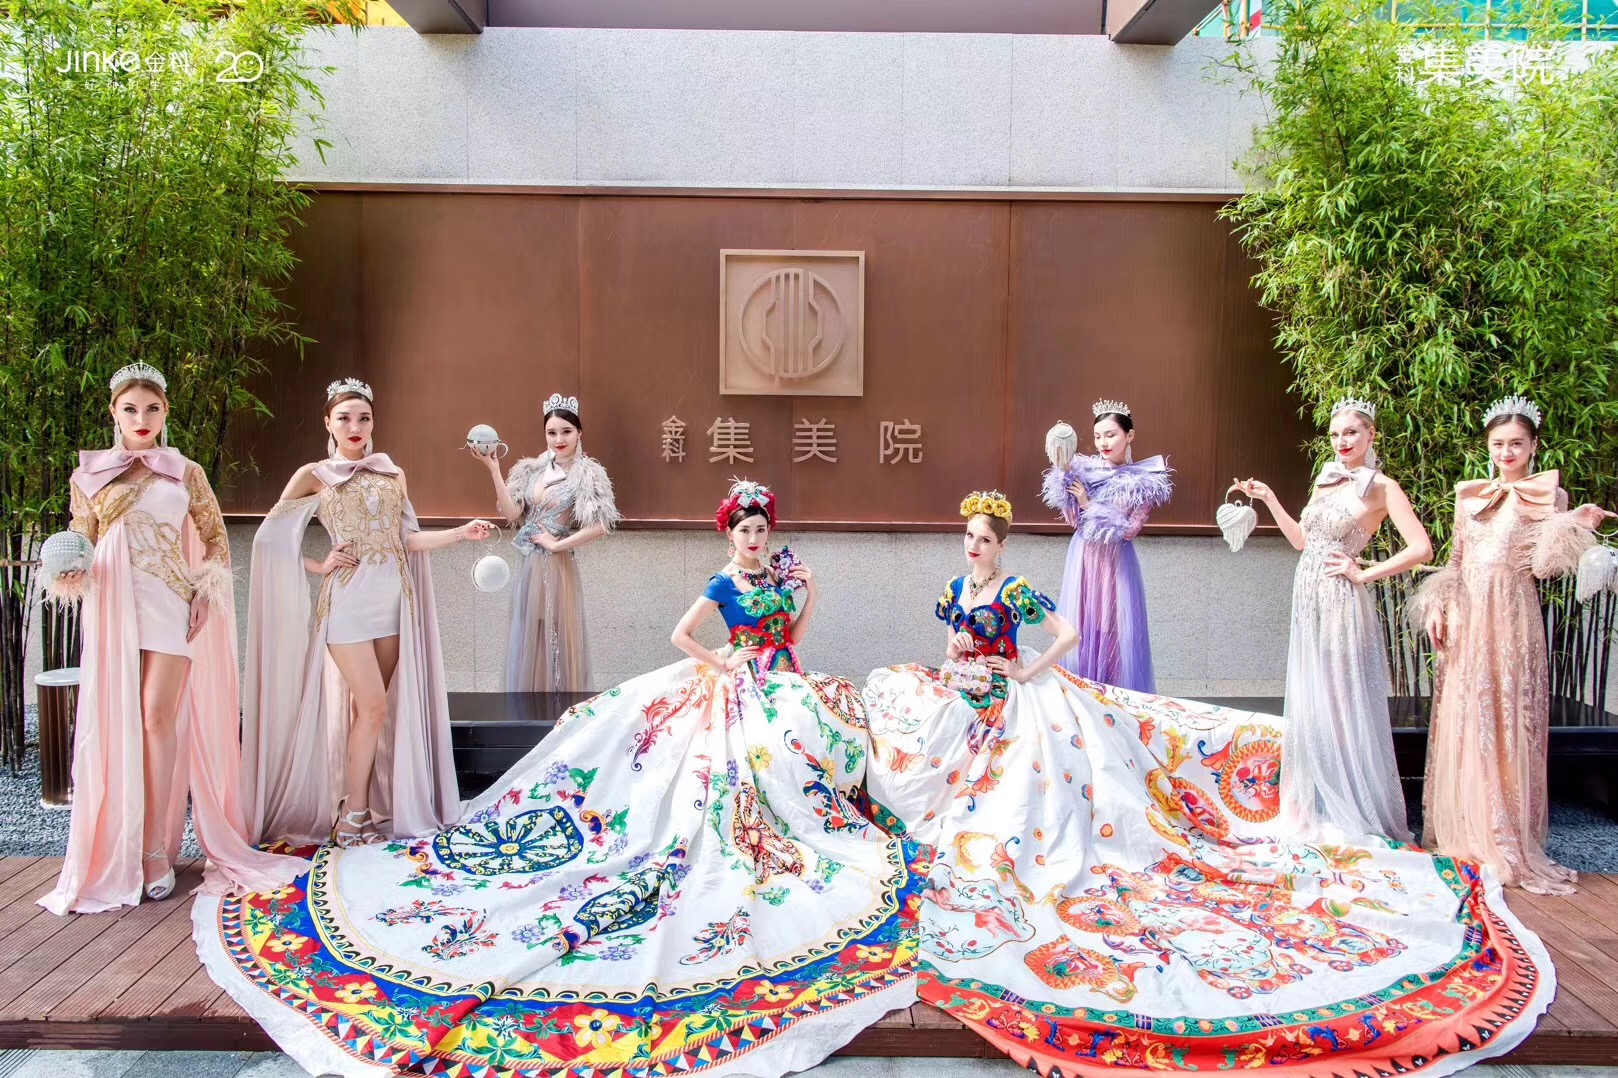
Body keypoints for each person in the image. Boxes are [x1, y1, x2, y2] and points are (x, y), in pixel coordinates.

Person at [194, 480, 919, 1078]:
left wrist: (809, 593)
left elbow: (794, 637)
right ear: (730, 535)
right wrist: (722, 662)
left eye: (761, 530)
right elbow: (681, 636)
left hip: (785, 682)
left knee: (806, 750)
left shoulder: (782, 578)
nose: (755, 539)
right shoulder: (724, 582)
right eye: (746, 530)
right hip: (739, 682)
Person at [860, 488, 1554, 1078]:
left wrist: (1026, 671)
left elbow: (1065, 635)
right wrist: (954, 663)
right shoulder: (956, 589)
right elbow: (950, 644)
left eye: (983, 539)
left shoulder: (1013, 590)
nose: (974, 547)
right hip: (966, 694)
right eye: (969, 538)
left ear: (1002, 545)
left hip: (1013, 695)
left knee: (1033, 786)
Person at [40, 363, 304, 913]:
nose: (142, 418)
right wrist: (67, 568)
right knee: (121, 722)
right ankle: (121, 848)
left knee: (158, 717)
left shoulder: (186, 471)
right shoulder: (89, 475)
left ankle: (155, 849)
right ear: (114, 413)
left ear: (165, 413)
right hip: (113, 602)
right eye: (130, 409)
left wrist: (205, 591)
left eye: (152, 409)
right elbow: (81, 536)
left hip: (169, 601)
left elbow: (215, 541)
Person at [241, 378, 492, 848]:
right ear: (328, 423)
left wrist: (461, 533)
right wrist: (319, 565)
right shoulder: (314, 475)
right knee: (374, 704)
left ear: (373, 422)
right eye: (344, 418)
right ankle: (353, 814)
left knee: (371, 712)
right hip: (347, 603)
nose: (354, 426)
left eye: (363, 417)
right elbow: (269, 540)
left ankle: (363, 805)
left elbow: (407, 540)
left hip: (393, 601)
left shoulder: (392, 474)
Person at [1414, 395, 1613, 895]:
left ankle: (1502, 835)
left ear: (1534, 446)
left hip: (1512, 618)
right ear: (1488, 446)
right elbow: (1456, 559)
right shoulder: (1470, 496)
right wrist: (1438, 604)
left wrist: (1573, 525)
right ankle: (1466, 830)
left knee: (1505, 718)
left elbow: (1544, 568)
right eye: (1498, 444)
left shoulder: (1551, 496)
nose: (1506, 452)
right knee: (1467, 715)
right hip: (1467, 615)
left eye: (1516, 444)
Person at [1232, 397, 1431, 842]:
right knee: (1312, 695)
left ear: (1371, 435)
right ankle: (1311, 803)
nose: (1342, 441)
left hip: (1341, 598)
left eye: (1351, 432)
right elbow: (1301, 541)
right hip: (1306, 596)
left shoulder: (1383, 488)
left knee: (1340, 698)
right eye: (1336, 434)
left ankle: (1351, 805)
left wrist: (1364, 573)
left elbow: (1421, 548)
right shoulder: (1326, 480)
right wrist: (1269, 498)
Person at [473, 392, 618, 692]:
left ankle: (558, 707)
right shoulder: (532, 470)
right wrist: (494, 470)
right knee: (530, 633)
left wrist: (557, 545)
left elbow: (601, 525)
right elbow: (513, 513)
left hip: (556, 564)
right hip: (528, 563)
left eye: (566, 431)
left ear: (579, 433)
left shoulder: (587, 473)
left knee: (556, 635)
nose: (559, 439)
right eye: (552, 433)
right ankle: (531, 706)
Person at [1041, 400, 1172, 691]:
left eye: (1111, 435)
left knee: (1114, 628)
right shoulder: (1085, 472)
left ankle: (1111, 696)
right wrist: (1067, 486)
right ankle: (1081, 693)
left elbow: (1129, 530)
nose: (1103, 442)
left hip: (1115, 562)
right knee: (1083, 624)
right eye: (1098, 436)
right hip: (1084, 558)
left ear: (1130, 436)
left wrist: (1089, 504)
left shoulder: (1143, 480)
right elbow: (1075, 523)